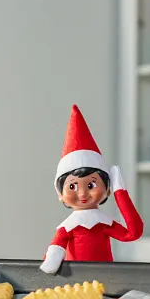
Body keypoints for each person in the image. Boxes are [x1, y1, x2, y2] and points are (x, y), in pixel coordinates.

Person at [40, 105, 143, 273]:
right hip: (75, 283)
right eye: (72, 186)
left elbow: (133, 232)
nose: (82, 193)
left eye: (91, 185)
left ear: (106, 188)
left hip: (106, 279)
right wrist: (52, 258)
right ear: (60, 194)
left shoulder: (103, 224)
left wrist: (120, 192)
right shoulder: (68, 227)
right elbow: (55, 250)